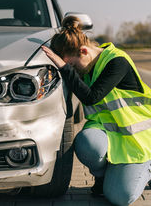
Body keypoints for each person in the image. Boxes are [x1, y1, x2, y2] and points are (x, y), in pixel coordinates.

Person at [41, 15, 151, 206]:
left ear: (83, 51)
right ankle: (102, 176)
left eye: (73, 65)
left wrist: (64, 67)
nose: (73, 71)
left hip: (137, 140)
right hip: (109, 136)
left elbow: (91, 96)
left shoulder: (117, 62)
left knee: (120, 197)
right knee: (86, 143)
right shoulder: (87, 66)